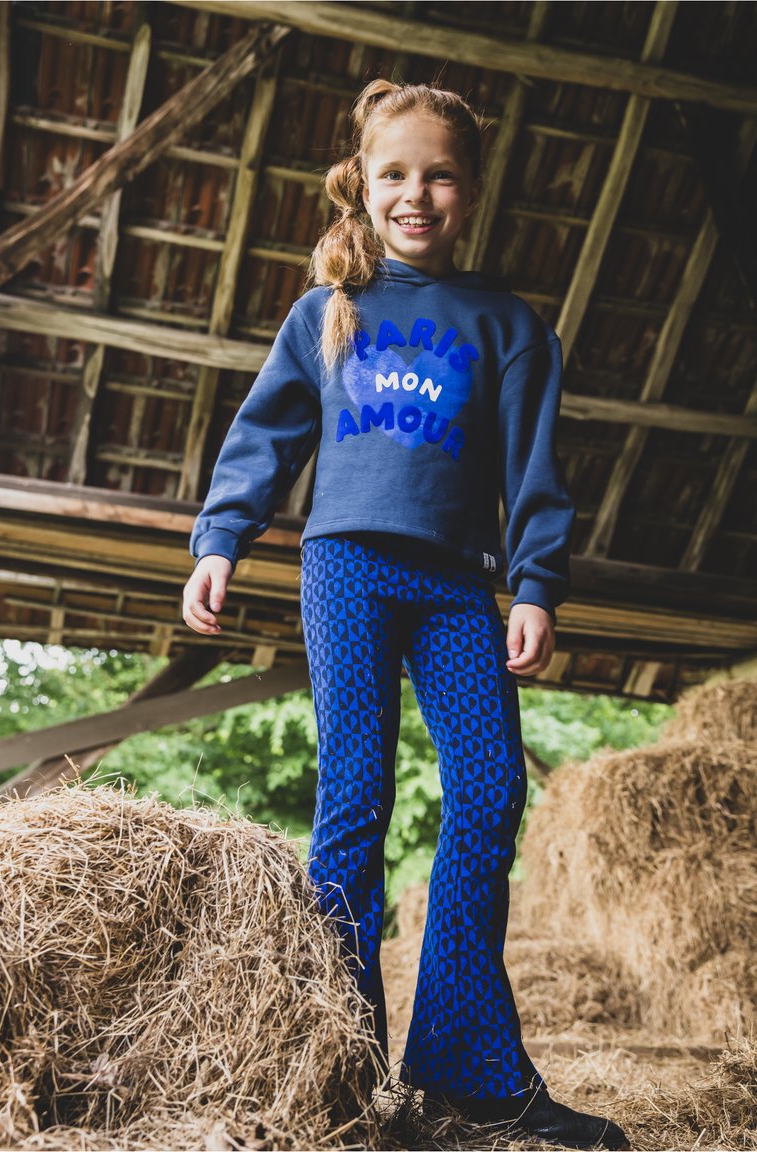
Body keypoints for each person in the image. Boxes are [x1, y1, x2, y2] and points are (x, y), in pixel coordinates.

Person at [183, 80, 629, 1151]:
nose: (414, 193)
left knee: (484, 794)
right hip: (345, 570)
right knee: (353, 803)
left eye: (437, 175)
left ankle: (467, 1070)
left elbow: (531, 472)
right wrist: (218, 540)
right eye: (394, 174)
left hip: (456, 586)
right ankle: (337, 1065)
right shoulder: (322, 312)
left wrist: (534, 584)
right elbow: (262, 437)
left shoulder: (508, 326)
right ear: (364, 183)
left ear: (468, 191)